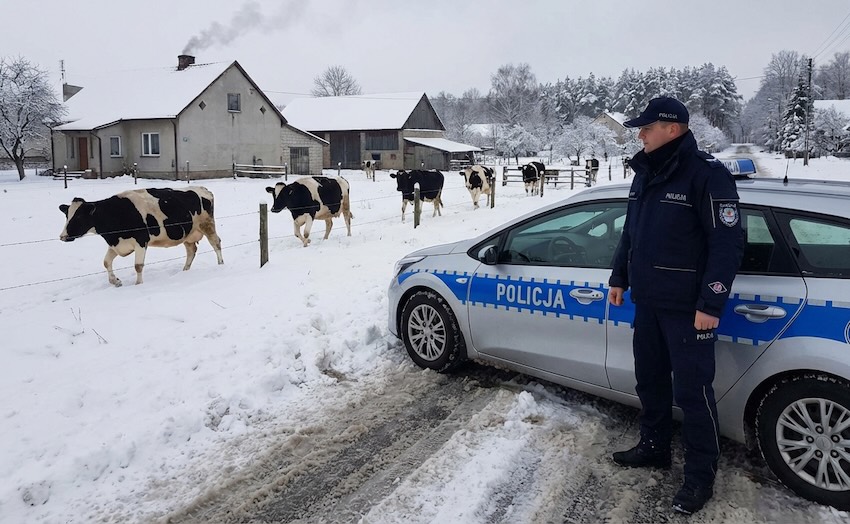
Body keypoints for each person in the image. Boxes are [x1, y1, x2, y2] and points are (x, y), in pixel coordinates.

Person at [608, 96, 744, 515]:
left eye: (646, 128)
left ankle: (700, 476)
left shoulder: (707, 175)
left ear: (673, 128)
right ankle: (654, 447)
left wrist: (711, 301)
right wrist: (619, 276)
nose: (640, 134)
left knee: (692, 393)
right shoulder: (645, 173)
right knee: (649, 382)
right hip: (647, 301)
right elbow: (631, 233)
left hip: (688, 309)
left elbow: (728, 242)